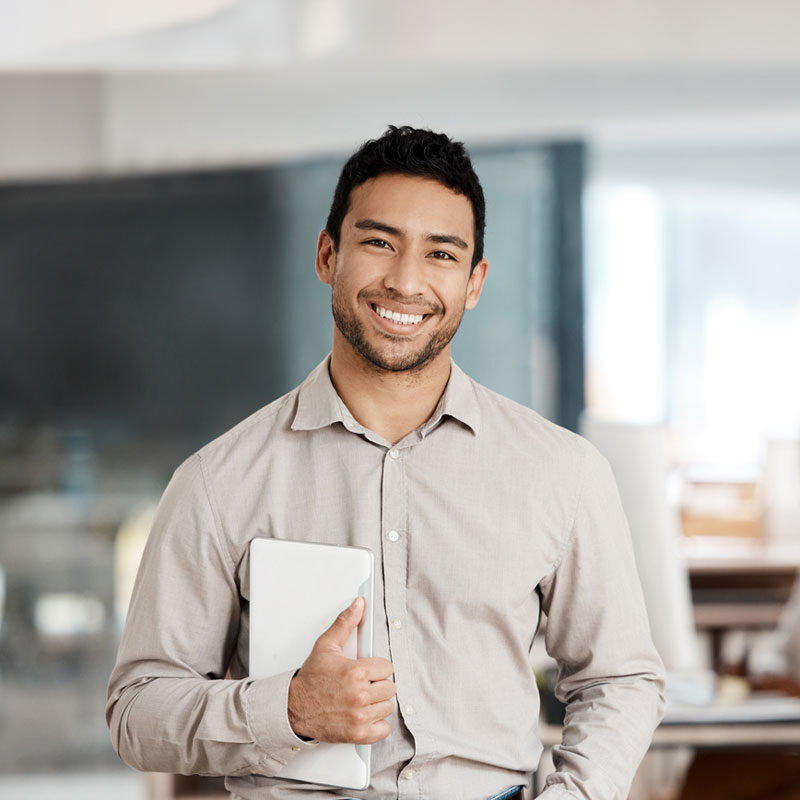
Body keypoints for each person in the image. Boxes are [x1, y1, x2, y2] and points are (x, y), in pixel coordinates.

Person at [107, 125, 665, 800]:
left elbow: (620, 679)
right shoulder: (218, 482)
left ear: (475, 281)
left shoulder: (563, 473)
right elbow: (137, 711)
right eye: (379, 243)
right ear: (326, 255)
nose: (405, 281)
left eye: (441, 254)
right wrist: (287, 710)